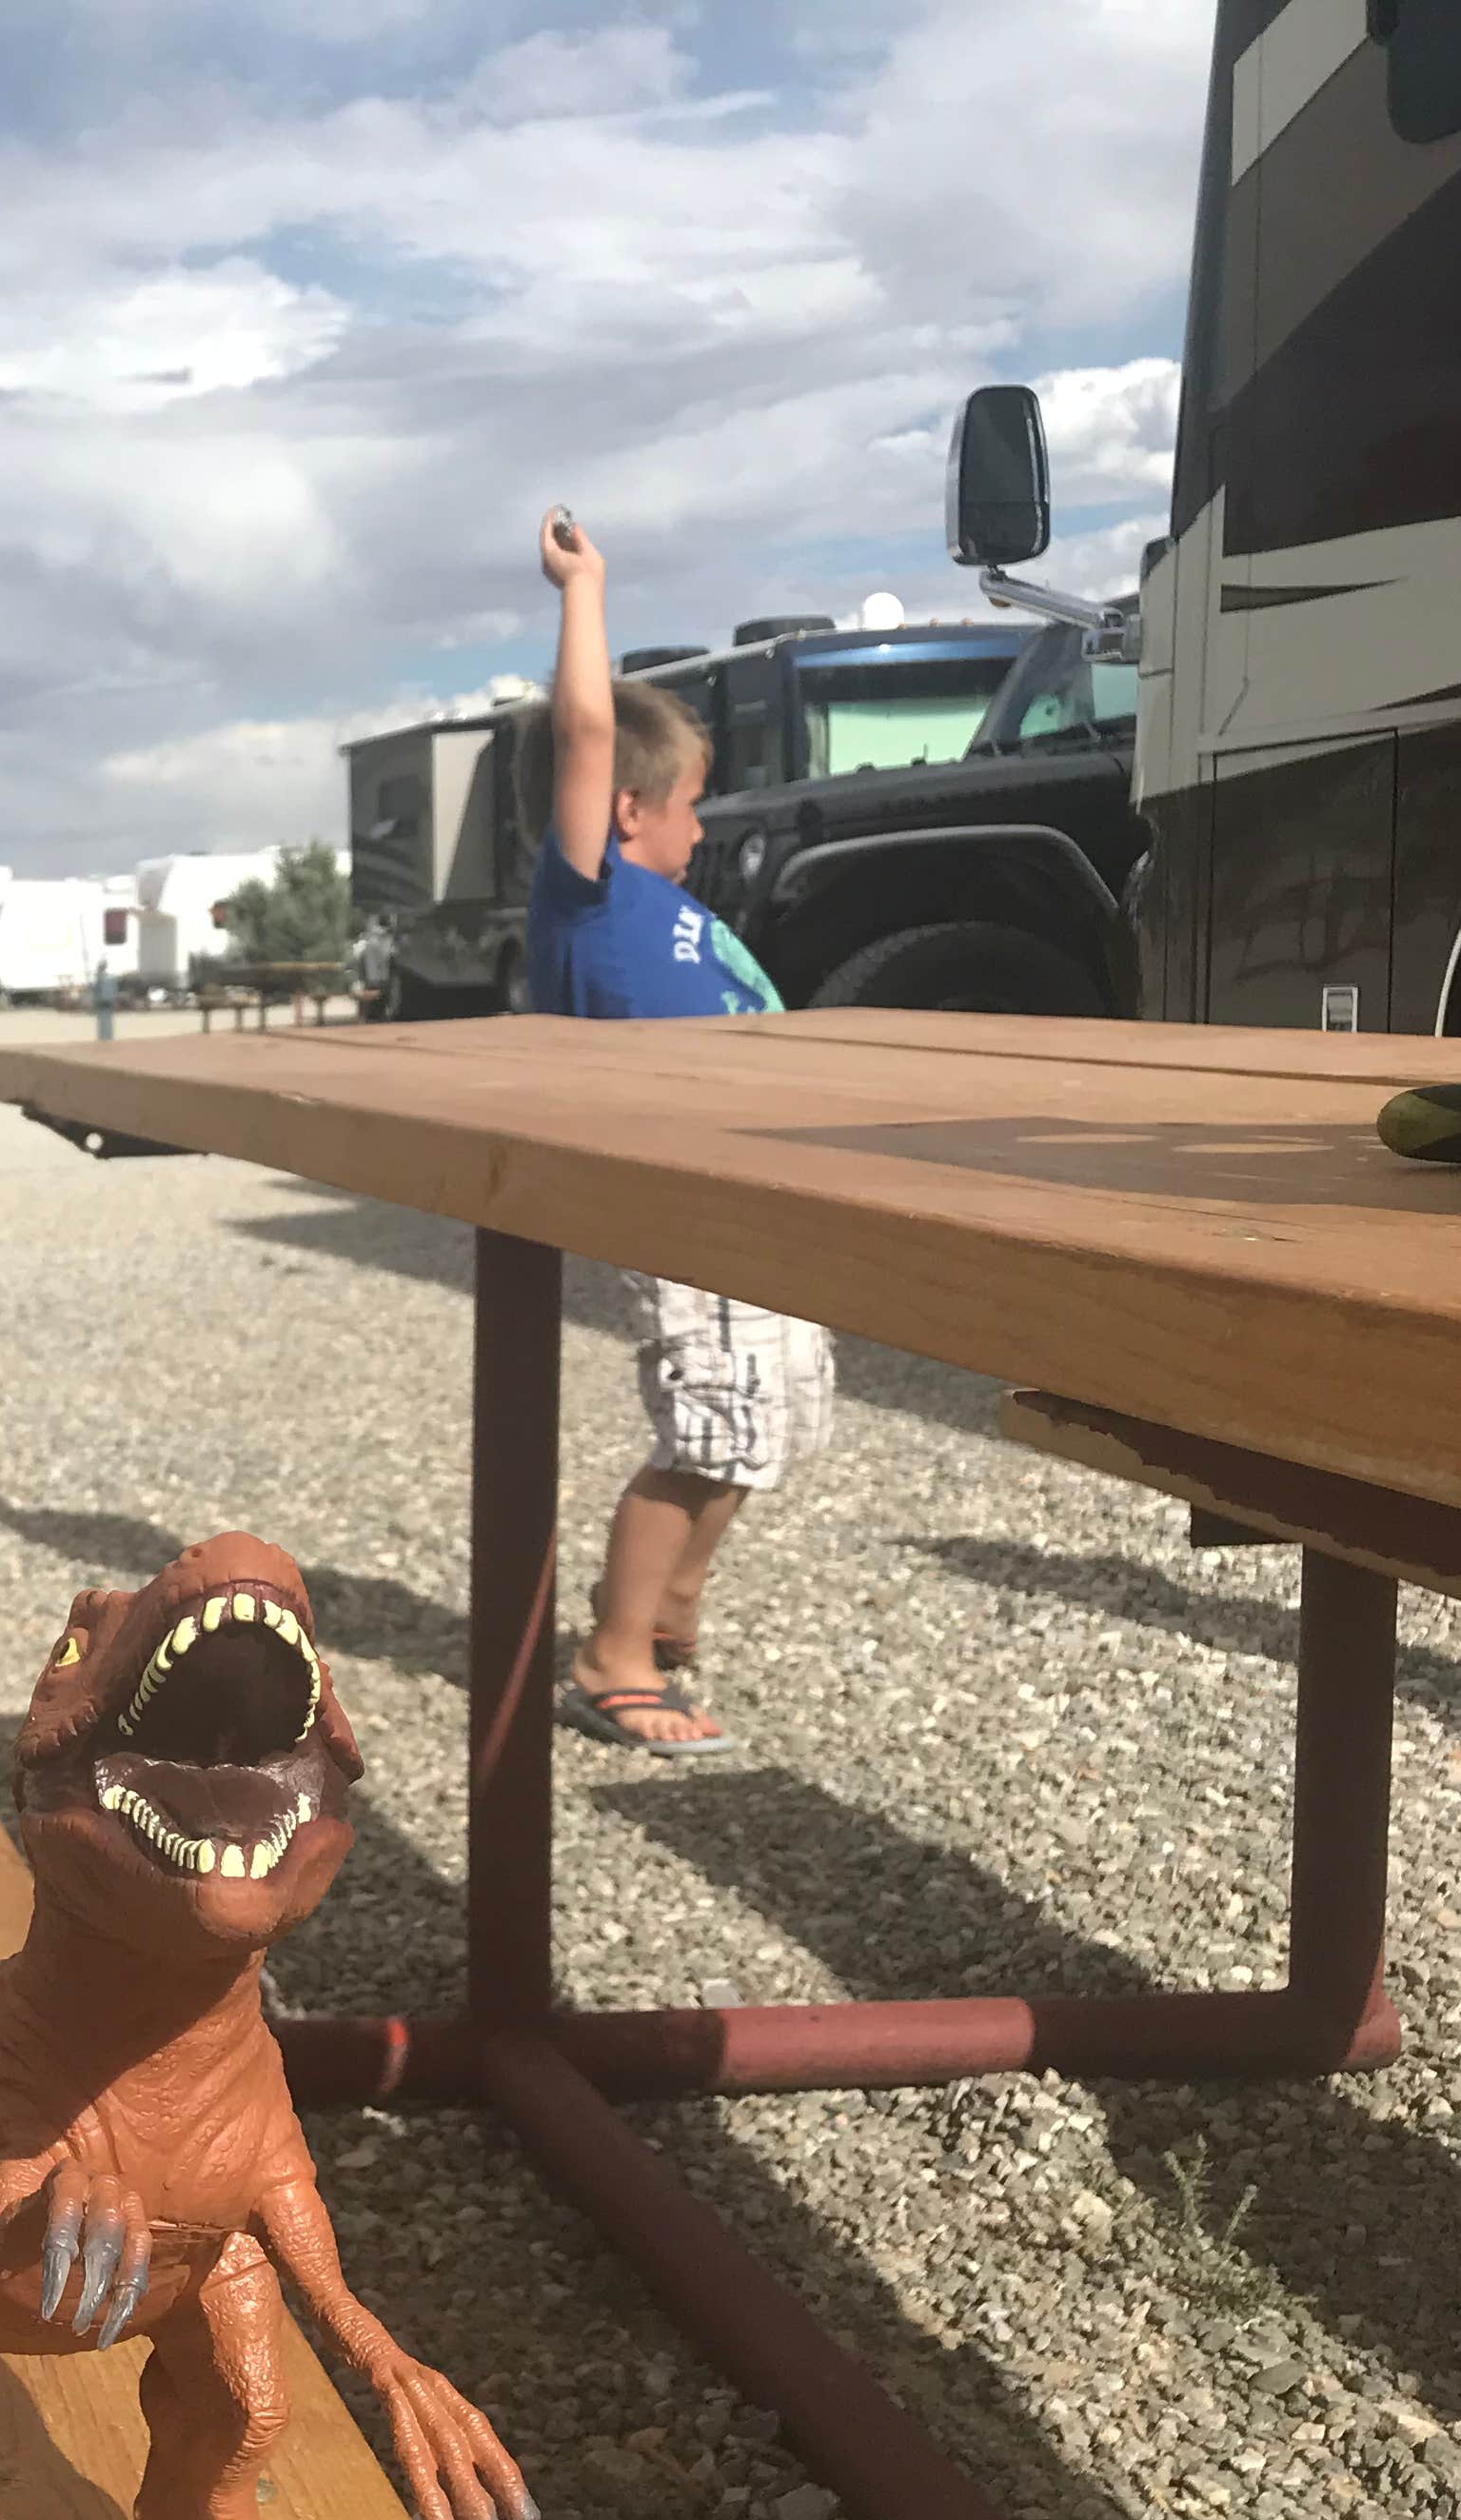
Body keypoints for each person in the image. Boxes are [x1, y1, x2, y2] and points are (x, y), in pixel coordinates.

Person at [524, 508, 832, 1756]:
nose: (705, 832)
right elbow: (589, 727)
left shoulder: (677, 912)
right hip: (679, 1196)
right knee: (710, 1420)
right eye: (694, 807)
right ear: (633, 812)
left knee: (776, 1413)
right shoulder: (591, 895)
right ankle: (613, 1652)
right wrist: (583, 588)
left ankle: (670, 1608)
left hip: (755, 1190)